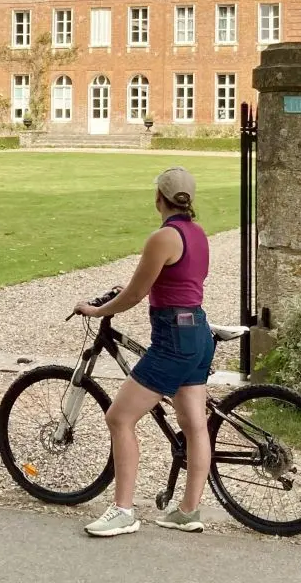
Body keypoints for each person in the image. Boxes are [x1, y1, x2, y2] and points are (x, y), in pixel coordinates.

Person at [73, 167, 214, 538]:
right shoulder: (199, 234)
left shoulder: (163, 237)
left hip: (172, 335)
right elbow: (180, 281)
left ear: (158, 198)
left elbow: (135, 295)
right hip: (198, 329)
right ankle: (188, 511)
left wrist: (97, 310)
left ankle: (123, 511)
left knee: (119, 418)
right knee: (195, 424)